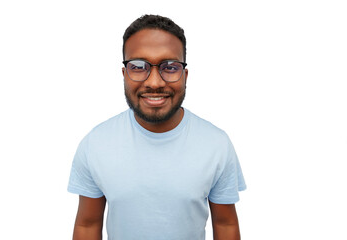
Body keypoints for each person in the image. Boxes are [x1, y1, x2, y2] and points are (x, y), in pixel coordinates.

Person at [68, 14, 246, 240]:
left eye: (170, 67)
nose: (154, 82)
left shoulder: (216, 144)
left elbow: (226, 224)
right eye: (138, 66)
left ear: (185, 75)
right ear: (124, 74)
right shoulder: (95, 144)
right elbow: (87, 225)